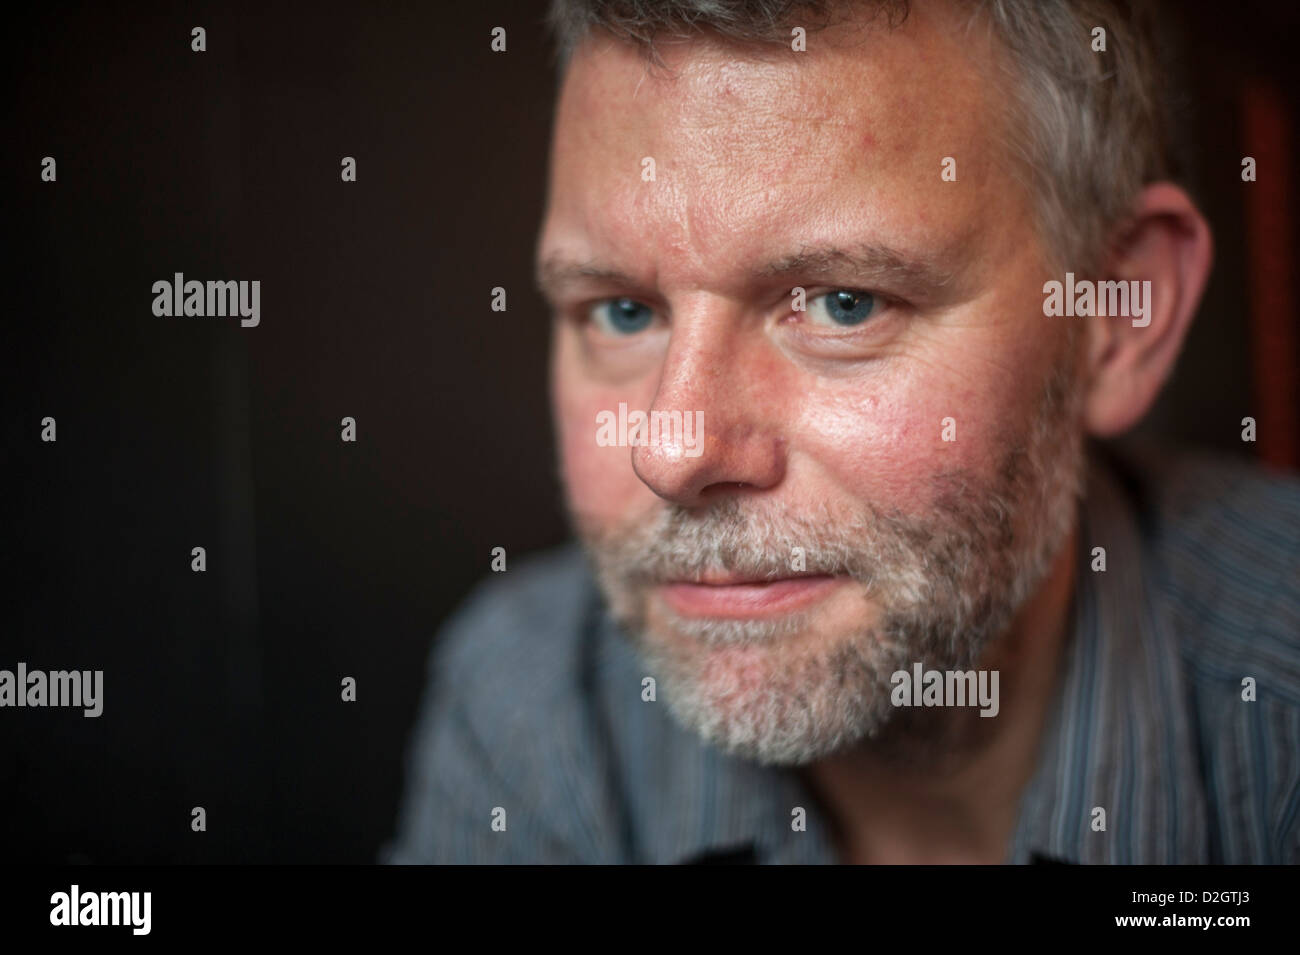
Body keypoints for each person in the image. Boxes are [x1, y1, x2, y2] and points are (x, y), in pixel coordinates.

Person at [384, 0, 1300, 864]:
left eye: (842, 302)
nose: (672, 451)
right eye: (623, 312)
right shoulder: (535, 708)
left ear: (1116, 317)